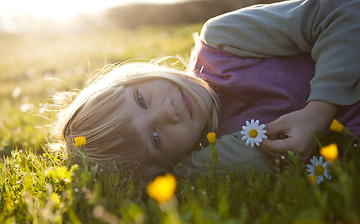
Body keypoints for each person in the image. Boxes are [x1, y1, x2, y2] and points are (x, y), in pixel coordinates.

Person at [56, 0, 360, 178]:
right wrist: (182, 169)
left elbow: (342, 12)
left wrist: (318, 111)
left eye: (141, 98)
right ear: (165, 164)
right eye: (156, 137)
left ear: (135, 75)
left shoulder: (223, 41)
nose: (167, 112)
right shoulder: (215, 154)